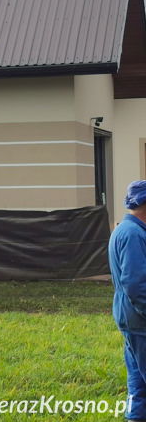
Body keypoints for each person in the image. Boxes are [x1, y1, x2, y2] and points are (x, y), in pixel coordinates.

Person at [109, 180, 146, 421]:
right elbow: (136, 285)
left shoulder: (125, 229)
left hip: (131, 319)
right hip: (141, 321)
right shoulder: (134, 234)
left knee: (138, 383)